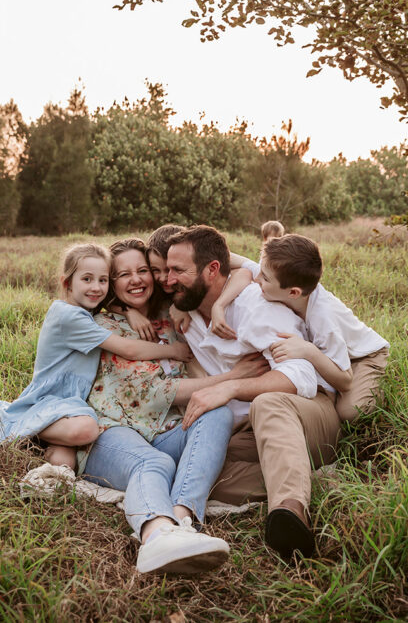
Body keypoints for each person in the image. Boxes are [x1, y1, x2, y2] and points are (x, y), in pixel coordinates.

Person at [80, 239, 269, 574]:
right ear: (111, 281)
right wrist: (233, 378)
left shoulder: (171, 318)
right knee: (152, 463)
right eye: (123, 274)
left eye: (143, 271)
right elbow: (156, 393)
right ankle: (156, 536)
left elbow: (244, 270)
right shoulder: (103, 326)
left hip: (164, 431)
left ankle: (183, 520)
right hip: (111, 433)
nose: (136, 279)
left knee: (215, 412)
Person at [164, 226, 327, 561]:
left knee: (268, 403)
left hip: (305, 416)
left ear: (212, 270)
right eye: (166, 270)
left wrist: (231, 386)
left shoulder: (256, 306)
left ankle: (291, 511)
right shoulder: (188, 313)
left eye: (177, 271)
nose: (167, 280)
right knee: (195, 468)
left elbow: (301, 379)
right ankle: (316, 479)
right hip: (250, 433)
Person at [0, 243, 190, 469]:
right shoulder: (68, 317)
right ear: (67, 282)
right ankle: (16, 426)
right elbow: (129, 349)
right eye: (87, 279)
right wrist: (173, 350)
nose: (96, 287)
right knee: (87, 429)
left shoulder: (82, 310)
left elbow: (110, 299)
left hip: (72, 403)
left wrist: (129, 310)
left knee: (64, 462)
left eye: (103, 280)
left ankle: (38, 441)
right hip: (51, 399)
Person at [259, 234, 389, 421]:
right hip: (334, 352)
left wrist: (308, 351)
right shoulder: (282, 276)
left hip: (363, 357)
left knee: (350, 412)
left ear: (293, 292)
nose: (257, 279)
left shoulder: (323, 319)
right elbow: (236, 260)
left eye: (264, 278)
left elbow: (345, 380)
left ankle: (375, 383)